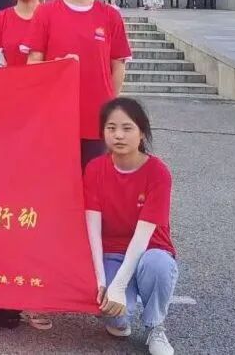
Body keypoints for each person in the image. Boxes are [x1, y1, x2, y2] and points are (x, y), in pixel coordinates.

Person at [26, 0, 132, 169]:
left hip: (97, 118)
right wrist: (56, 67)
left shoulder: (110, 16)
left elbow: (118, 65)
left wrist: (110, 106)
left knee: (94, 180)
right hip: (56, 115)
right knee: (58, 180)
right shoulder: (46, 13)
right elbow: (33, 61)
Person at [84, 98, 177, 355]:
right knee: (112, 315)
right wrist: (102, 282)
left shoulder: (158, 172)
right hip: (112, 252)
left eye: (127, 128)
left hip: (149, 250)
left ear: (142, 133)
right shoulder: (95, 169)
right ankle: (119, 319)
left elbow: (142, 237)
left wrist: (118, 286)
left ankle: (155, 327)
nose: (119, 135)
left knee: (159, 264)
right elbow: (93, 229)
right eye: (111, 128)